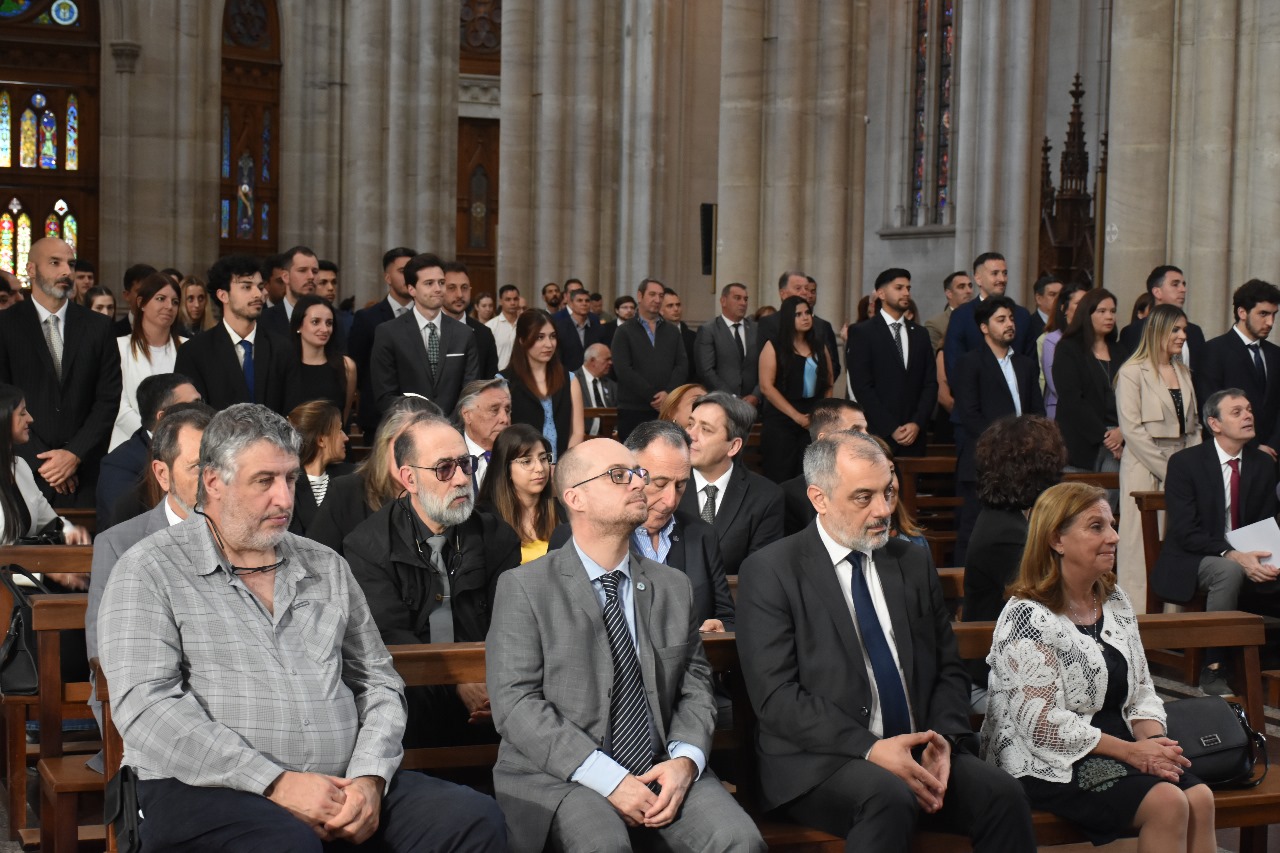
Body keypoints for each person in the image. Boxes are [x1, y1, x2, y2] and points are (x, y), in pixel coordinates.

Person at [98, 403, 507, 851]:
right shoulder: (148, 569)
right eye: (264, 481)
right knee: (285, 844)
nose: (285, 498)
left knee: (473, 820)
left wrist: (370, 778)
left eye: (290, 479)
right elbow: (147, 707)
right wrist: (275, 783)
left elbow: (378, 682)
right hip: (204, 788)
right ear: (213, 482)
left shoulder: (325, 565)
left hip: (342, 784)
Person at [736, 430, 1035, 850]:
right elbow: (777, 698)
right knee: (888, 797)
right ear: (819, 498)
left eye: (887, 493)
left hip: (918, 748)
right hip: (821, 761)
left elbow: (949, 668)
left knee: (1001, 794)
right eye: (863, 497)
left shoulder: (910, 561)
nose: (883, 510)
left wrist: (944, 740)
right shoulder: (771, 570)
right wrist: (871, 749)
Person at [486, 438, 765, 853]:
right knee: (604, 846)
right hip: (560, 772)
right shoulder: (524, 586)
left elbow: (695, 686)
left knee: (740, 841)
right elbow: (515, 704)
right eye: (619, 476)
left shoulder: (672, 586)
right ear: (575, 497)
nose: (638, 484)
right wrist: (609, 779)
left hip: (659, 764)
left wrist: (686, 760)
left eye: (637, 473)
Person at [983, 482, 1214, 851]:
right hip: (1043, 760)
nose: (1114, 537)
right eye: (1096, 527)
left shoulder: (1114, 599)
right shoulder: (1027, 615)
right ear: (1056, 539)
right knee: (1167, 803)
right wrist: (1131, 752)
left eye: (1112, 525)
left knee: (1200, 799)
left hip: (1119, 744)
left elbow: (1141, 691)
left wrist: (1154, 744)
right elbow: (1040, 726)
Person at [344, 413, 520, 748]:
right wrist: (457, 680)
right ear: (409, 478)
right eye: (444, 469)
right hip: (410, 702)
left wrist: (489, 686)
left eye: (465, 464)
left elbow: (511, 626)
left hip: (493, 689)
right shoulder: (367, 546)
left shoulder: (497, 538)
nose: (460, 479)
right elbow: (389, 637)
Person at [86, 403, 213, 762]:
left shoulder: (249, 538)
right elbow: (103, 654)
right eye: (198, 467)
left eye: (221, 464)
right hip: (156, 714)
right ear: (162, 473)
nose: (213, 479)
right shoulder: (120, 544)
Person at [1153, 389, 1279, 694]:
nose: (1248, 415)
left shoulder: (1262, 463)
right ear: (1214, 423)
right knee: (1229, 570)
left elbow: (1264, 523)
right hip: (1192, 556)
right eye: (1236, 412)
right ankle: (1214, 667)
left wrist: (1263, 557)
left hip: (1246, 551)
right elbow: (1185, 530)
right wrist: (1233, 554)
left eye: (1249, 409)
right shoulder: (1185, 463)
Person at [0, 237, 122, 507]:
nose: (66, 271)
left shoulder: (98, 327)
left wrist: (73, 455)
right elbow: (2, 401)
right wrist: (45, 463)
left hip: (84, 472)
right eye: (54, 263)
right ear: (31, 270)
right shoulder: (6, 325)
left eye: (71, 263)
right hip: (21, 470)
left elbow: (108, 399)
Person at [1116, 303, 1201, 611]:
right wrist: (1175, 472)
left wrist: (1194, 468)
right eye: (1176, 330)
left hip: (1182, 462)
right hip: (1145, 465)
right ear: (1158, 331)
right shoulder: (1131, 372)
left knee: (1175, 541)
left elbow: (1193, 427)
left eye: (1184, 330)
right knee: (1140, 545)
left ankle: (1172, 620)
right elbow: (1133, 430)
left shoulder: (1182, 371)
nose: (1182, 336)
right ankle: (1136, 618)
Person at [951, 295, 1045, 564]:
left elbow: (1036, 411)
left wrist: (1028, 443)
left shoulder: (1025, 364)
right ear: (984, 327)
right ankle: (963, 597)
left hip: (1022, 461)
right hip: (984, 461)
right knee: (973, 530)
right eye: (1001, 320)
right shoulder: (970, 362)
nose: (1009, 324)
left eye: (1011, 319)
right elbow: (970, 415)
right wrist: (1005, 445)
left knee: (1019, 532)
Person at [306, 395, 442, 555]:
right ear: (384, 443)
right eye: (405, 444)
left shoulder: (444, 492)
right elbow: (313, 561)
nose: (412, 455)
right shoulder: (346, 492)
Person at [174, 254, 301, 415]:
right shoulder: (194, 352)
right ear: (223, 295)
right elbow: (191, 415)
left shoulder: (282, 348)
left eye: (260, 287)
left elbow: (293, 411)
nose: (258, 294)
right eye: (247, 287)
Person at [678, 391, 784, 576]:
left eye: (706, 429)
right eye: (690, 424)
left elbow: (761, 574)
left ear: (733, 446)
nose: (690, 435)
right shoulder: (663, 484)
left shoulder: (766, 497)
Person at [370, 252, 480, 415]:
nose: (438, 289)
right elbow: (385, 395)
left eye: (441, 282)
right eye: (429, 283)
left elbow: (470, 393)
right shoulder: (389, 333)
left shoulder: (464, 334)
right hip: (407, 429)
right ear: (412, 289)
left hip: (453, 430)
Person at [848, 268, 938, 458]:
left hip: (915, 434)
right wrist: (891, 428)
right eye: (899, 288)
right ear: (881, 293)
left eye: (908, 288)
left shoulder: (920, 334)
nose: (906, 293)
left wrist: (917, 423)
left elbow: (930, 383)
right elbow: (862, 386)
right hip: (879, 433)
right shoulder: (862, 332)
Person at [96, 374, 201, 530]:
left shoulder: (212, 450)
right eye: (193, 406)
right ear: (163, 417)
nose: (202, 411)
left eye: (201, 403)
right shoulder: (120, 464)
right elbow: (126, 531)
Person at [0, 384, 91, 546]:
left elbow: (48, 520)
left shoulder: (19, 466)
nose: (30, 419)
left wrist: (70, 532)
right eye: (22, 413)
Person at [1198, 278, 1280, 457]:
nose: (1270, 322)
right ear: (1242, 312)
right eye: (1263, 314)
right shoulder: (1213, 350)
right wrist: (1254, 446)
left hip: (1273, 458)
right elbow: (1210, 406)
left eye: (1274, 314)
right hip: (1231, 455)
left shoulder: (1275, 353)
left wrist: (1273, 446)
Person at [758, 295, 833, 482]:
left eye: (808, 312)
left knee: (810, 476)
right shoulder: (774, 346)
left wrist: (823, 414)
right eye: (798, 314)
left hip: (813, 419)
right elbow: (766, 387)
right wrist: (797, 416)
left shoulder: (819, 345)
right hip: (781, 419)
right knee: (780, 475)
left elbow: (829, 382)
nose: (805, 317)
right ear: (787, 319)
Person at [110, 272, 187, 450]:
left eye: (175, 302)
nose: (169, 306)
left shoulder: (187, 348)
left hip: (178, 447)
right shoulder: (119, 348)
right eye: (161, 298)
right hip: (130, 444)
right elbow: (118, 404)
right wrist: (152, 436)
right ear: (141, 303)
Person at [1053, 287, 1124, 474]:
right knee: (1080, 501)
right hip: (1081, 439)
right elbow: (1072, 399)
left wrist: (1122, 431)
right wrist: (1105, 437)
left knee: (1109, 499)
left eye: (1113, 311)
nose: (1109, 316)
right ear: (1087, 314)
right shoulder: (1068, 349)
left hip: (1118, 437)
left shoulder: (1120, 351)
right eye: (1102, 311)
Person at [612, 278, 689, 442]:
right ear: (640, 296)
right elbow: (623, 369)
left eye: (661, 296)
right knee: (634, 460)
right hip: (633, 408)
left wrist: (668, 394)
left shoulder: (672, 331)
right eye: (652, 294)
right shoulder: (624, 331)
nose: (657, 299)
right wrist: (652, 395)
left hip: (667, 409)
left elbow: (682, 365)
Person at [350, 247, 416, 437]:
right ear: (387, 277)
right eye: (403, 271)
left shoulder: (427, 319)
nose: (409, 276)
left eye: (413, 271)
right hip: (378, 417)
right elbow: (358, 366)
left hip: (419, 414)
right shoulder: (367, 318)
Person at [501, 309, 584, 460]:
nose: (549, 344)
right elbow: (503, 434)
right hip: (521, 466)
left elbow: (577, 432)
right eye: (540, 337)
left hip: (562, 466)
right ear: (522, 340)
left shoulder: (570, 380)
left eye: (552, 336)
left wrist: (561, 467)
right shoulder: (504, 382)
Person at [942, 252, 1036, 381]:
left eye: (1005, 273)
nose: (1002, 279)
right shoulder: (962, 315)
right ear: (978, 278)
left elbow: (1031, 364)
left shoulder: (1022, 315)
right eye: (995, 273)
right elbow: (954, 366)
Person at [779, 399, 868, 535]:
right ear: (825, 440)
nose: (867, 436)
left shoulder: (877, 483)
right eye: (855, 430)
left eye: (866, 429)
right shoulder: (790, 496)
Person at [477, 423, 559, 563]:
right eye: (527, 461)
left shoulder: (562, 510)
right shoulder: (485, 519)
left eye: (543, 458)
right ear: (505, 468)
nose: (539, 468)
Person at [754, 271, 843, 384]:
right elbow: (762, 365)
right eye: (798, 288)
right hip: (778, 395)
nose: (805, 293)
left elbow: (833, 365)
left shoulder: (822, 326)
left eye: (806, 288)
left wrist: (816, 389)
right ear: (783, 293)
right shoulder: (768, 323)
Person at [1117, 265, 1207, 371]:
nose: (1183, 289)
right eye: (1175, 284)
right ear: (1157, 292)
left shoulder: (1194, 332)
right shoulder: (1134, 331)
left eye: (1183, 284)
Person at [287, 401, 350, 536]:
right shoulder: (289, 486)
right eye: (339, 430)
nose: (346, 437)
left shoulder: (350, 478)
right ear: (321, 440)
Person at [290, 294, 357, 423]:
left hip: (334, 440)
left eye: (329, 323)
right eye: (316, 322)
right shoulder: (285, 365)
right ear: (299, 326)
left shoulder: (346, 366)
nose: (324, 329)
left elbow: (344, 416)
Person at [694, 281, 759, 404]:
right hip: (720, 402)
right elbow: (706, 371)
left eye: (745, 299)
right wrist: (731, 398)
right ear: (723, 301)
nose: (743, 303)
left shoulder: (756, 329)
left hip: (753, 404)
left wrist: (756, 395)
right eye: (737, 298)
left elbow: (764, 365)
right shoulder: (709, 330)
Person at [442, 261, 500, 379]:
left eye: (464, 288)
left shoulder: (484, 334)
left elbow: (490, 381)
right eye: (451, 288)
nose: (459, 294)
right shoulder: (429, 330)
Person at [1040, 280, 1088, 421]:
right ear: (1064, 308)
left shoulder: (1092, 339)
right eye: (1079, 303)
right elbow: (1057, 386)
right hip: (1061, 413)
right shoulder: (1052, 340)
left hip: (1091, 413)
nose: (1084, 308)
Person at [453, 377, 512, 489]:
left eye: (507, 410)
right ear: (467, 414)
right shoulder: (450, 457)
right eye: (494, 410)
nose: (505, 419)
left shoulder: (518, 454)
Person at [259, 245, 318, 338]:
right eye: (302, 270)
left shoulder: (331, 320)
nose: (311, 276)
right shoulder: (262, 320)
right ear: (286, 277)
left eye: (315, 271)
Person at [553, 286, 607, 373]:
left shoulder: (598, 328)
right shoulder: (560, 328)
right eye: (579, 301)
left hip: (592, 376)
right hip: (567, 377)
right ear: (571, 304)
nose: (584, 303)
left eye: (587, 301)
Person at [923, 271, 975, 353]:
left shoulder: (980, 317)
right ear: (949, 293)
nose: (968, 291)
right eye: (961, 287)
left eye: (970, 286)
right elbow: (933, 358)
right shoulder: (935, 324)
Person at [576, 343, 617, 431]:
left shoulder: (611, 385)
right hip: (582, 435)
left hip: (609, 436)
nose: (610, 362)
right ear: (592, 361)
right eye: (607, 359)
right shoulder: (573, 381)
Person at [113, 263, 158, 337]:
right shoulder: (113, 333)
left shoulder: (171, 331)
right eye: (141, 291)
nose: (147, 296)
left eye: (152, 291)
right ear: (127, 295)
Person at [486, 283, 522, 369]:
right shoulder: (491, 326)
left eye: (515, 299)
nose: (512, 303)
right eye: (508, 299)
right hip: (498, 377)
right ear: (501, 301)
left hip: (521, 376)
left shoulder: (525, 325)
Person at [1026, 274, 1064, 342]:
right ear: (1038, 299)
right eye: (1052, 294)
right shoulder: (1028, 325)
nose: (1058, 299)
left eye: (1061, 295)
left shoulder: (1067, 323)